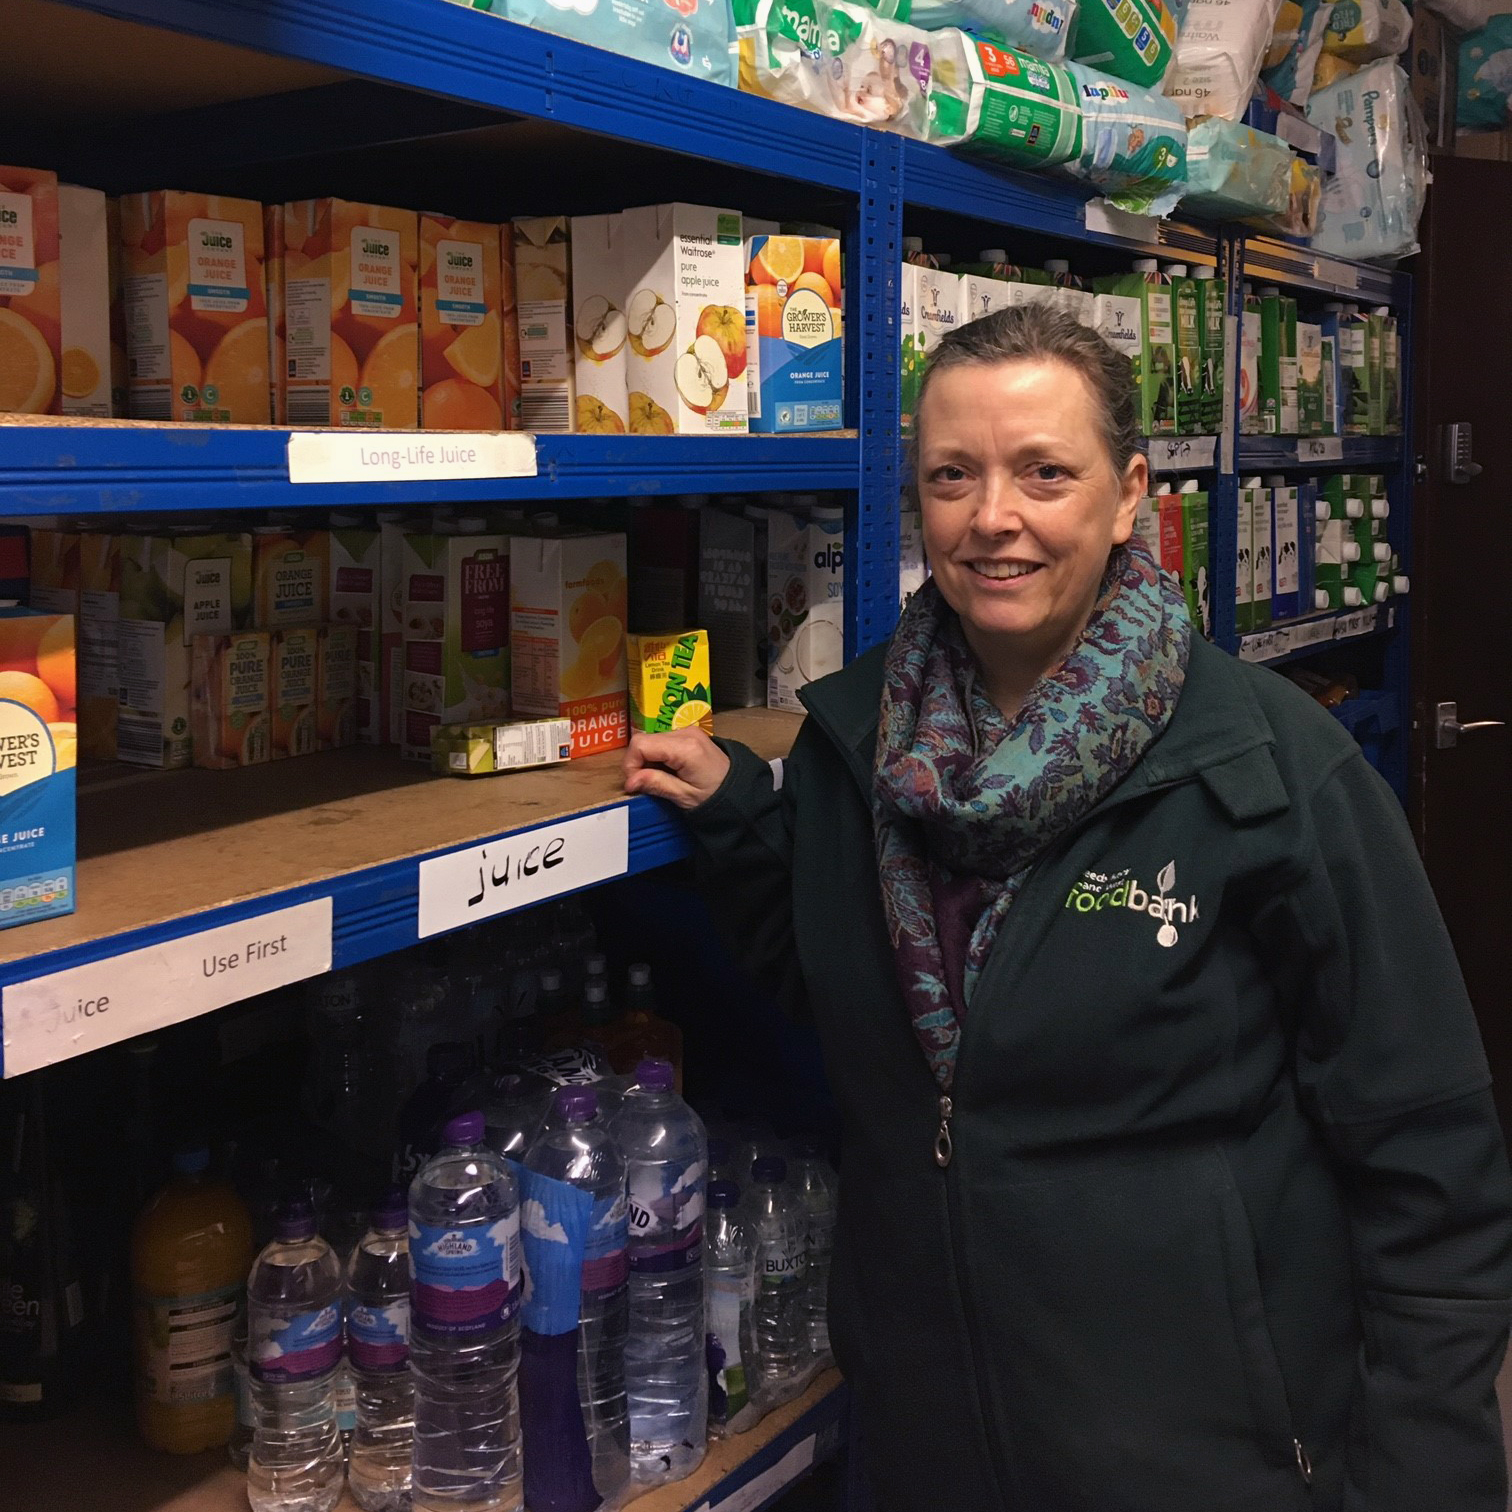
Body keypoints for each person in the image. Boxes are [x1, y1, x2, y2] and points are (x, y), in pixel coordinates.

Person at [622, 305, 1512, 1512]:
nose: (996, 517)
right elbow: (842, 997)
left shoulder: (1264, 767)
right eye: (954, 476)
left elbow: (1428, 1160)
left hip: (1209, 1458)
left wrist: (1428, 1479)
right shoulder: (853, 749)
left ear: (1128, 492)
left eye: (1046, 472)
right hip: (934, 1442)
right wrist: (739, 822)